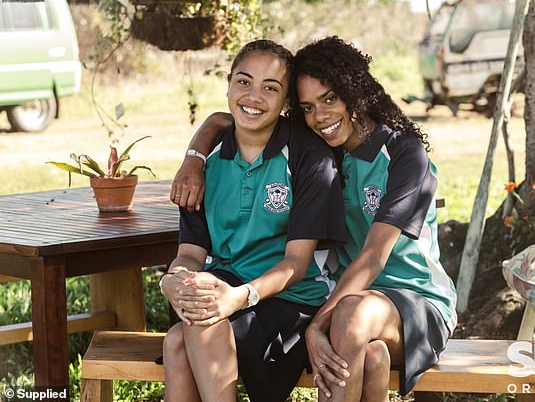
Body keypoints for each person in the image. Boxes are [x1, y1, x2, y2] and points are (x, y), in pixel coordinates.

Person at [171, 36, 457, 401]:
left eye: (329, 99)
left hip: (415, 301)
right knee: (366, 346)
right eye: (307, 107)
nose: (319, 116)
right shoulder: (322, 148)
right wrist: (195, 155)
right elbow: (232, 119)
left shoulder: (404, 154)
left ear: (355, 92)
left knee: (351, 317)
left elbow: (372, 258)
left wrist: (318, 323)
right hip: (346, 301)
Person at [160, 39, 346, 402]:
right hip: (227, 290)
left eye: (270, 88)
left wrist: (238, 298)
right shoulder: (204, 164)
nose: (254, 96)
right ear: (228, 84)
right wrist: (173, 280)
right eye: (244, 82)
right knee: (190, 318)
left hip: (293, 299)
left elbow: (296, 263)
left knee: (190, 330)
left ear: (286, 101)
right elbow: (190, 254)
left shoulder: (310, 158)